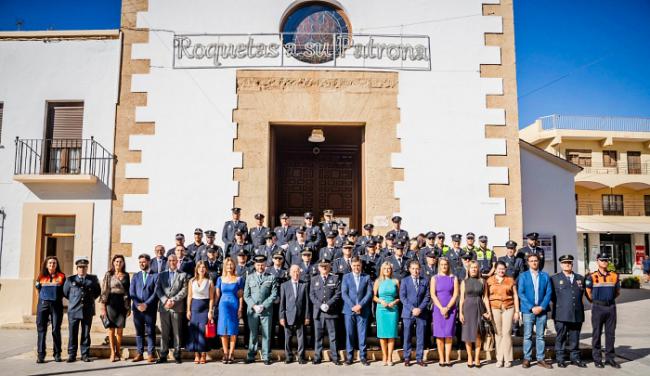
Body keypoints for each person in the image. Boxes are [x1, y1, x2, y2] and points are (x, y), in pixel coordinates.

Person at [586, 253, 621, 369]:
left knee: (611, 334)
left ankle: (610, 358)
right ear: (597, 261)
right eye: (602, 260)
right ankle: (597, 359)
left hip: (611, 307)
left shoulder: (615, 276)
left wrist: (608, 300)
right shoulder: (592, 276)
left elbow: (617, 292)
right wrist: (597, 301)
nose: (604, 262)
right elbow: (588, 293)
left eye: (606, 260)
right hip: (597, 307)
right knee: (597, 334)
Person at [63, 257, 101, 363]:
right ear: (77, 268)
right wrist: (74, 301)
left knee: (85, 333)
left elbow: (97, 292)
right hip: (74, 310)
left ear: (87, 268)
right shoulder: (70, 279)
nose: (82, 269)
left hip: (87, 310)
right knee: (72, 334)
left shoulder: (92, 279)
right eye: (80, 267)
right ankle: (72, 355)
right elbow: (66, 293)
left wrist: (89, 301)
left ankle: (85, 354)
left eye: (84, 267)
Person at [551, 254, 587, 368]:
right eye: (565, 263)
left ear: (572, 264)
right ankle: (560, 359)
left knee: (575, 337)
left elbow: (581, 294)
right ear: (561, 264)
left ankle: (575, 358)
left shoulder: (580, 278)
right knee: (561, 337)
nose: (567, 264)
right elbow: (552, 296)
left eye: (569, 262)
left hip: (576, 313)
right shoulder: (554, 279)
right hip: (561, 313)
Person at [518, 253, 553, 369]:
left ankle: (540, 359)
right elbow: (521, 293)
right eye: (531, 261)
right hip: (528, 311)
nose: (534, 262)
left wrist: (542, 307)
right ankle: (527, 358)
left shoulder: (545, 276)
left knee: (540, 336)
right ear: (528, 263)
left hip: (542, 310)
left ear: (539, 262)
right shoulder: (523, 276)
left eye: (536, 260)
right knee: (527, 335)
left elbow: (549, 292)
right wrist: (531, 307)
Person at [244, 255, 278, 365]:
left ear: (266, 265)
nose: (260, 267)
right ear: (254, 265)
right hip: (253, 310)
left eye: (262, 264)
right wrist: (254, 306)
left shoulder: (271, 277)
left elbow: (274, 294)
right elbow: (246, 295)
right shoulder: (249, 277)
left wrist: (263, 305)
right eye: (258, 265)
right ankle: (251, 355)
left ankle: (266, 356)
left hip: (266, 310)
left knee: (266, 334)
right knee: (253, 333)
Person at [155, 253, 188, 364]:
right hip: (164, 307)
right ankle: (163, 355)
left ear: (177, 262)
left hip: (176, 306)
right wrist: (165, 300)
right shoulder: (161, 275)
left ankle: (177, 354)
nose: (172, 262)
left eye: (174, 260)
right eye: (170, 260)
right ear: (167, 262)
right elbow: (158, 289)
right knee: (164, 332)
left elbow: (184, 290)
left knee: (177, 332)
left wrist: (173, 299)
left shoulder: (183, 275)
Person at [486, 261, 519, 368]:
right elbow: (485, 297)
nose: (501, 270)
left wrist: (517, 312)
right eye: (499, 268)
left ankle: (508, 359)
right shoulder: (489, 280)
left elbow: (515, 296)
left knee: (507, 332)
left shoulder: (510, 280)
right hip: (495, 308)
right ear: (495, 269)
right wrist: (488, 311)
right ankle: (500, 359)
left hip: (508, 308)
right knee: (498, 333)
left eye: (503, 268)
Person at [341, 256, 373, 365]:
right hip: (349, 311)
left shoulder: (366, 277)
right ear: (351, 266)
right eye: (354, 265)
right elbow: (344, 293)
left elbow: (369, 293)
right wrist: (353, 306)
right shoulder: (346, 277)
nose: (356, 267)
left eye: (358, 265)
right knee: (349, 334)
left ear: (361, 265)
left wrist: (360, 305)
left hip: (363, 310)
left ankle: (363, 357)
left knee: (362, 334)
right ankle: (350, 357)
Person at [310, 259, 342, 365]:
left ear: (329, 267)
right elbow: (312, 295)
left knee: (333, 337)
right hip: (318, 313)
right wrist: (320, 305)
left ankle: (335, 357)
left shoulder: (335, 278)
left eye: (326, 266)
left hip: (331, 311)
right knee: (318, 336)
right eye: (322, 266)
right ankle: (317, 357)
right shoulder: (314, 279)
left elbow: (338, 294)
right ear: (318, 267)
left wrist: (328, 304)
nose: (324, 268)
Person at [99, 254, 131, 362]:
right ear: (113, 262)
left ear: (123, 263)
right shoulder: (109, 274)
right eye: (116, 261)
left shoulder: (126, 275)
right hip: (110, 303)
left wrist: (128, 307)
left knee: (120, 331)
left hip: (122, 304)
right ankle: (112, 352)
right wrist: (103, 306)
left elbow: (128, 292)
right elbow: (104, 290)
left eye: (120, 261)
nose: (118, 263)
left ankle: (118, 352)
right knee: (111, 330)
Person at [459, 260, 491, 368]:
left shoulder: (483, 281)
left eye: (475, 267)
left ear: (478, 269)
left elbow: (485, 298)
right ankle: (469, 357)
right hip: (467, 308)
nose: (473, 269)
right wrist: (460, 313)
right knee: (468, 334)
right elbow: (461, 299)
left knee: (478, 334)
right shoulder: (464, 282)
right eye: (471, 267)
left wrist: (488, 311)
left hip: (479, 307)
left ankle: (477, 357)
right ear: (468, 269)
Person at [35, 256, 66, 363]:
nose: (52, 265)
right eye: (50, 263)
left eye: (54, 263)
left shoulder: (62, 276)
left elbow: (64, 291)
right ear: (46, 265)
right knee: (41, 330)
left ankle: (57, 354)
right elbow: (37, 290)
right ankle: (41, 355)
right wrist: (41, 302)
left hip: (56, 305)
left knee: (56, 329)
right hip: (43, 305)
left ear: (57, 265)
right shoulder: (41, 276)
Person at [400, 260, 430, 367]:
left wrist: (420, 309)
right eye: (413, 268)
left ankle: (419, 358)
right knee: (407, 336)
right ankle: (407, 357)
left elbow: (427, 297)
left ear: (420, 269)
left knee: (420, 336)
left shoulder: (424, 281)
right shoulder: (405, 281)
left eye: (417, 269)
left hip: (421, 313)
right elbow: (402, 297)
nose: (415, 271)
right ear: (409, 269)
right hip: (408, 313)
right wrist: (413, 309)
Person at [280, 265, 311, 364]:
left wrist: (307, 316)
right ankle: (289, 356)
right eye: (293, 271)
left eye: (297, 271)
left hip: (300, 316)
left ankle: (301, 356)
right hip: (288, 316)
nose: (296, 273)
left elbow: (307, 303)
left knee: (301, 338)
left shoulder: (304, 285)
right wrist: (281, 317)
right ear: (290, 273)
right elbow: (282, 303)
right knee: (287, 338)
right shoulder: (284, 285)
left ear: (300, 273)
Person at [130, 253, 158, 363]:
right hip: (137, 309)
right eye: (140, 262)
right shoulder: (135, 276)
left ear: (149, 262)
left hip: (149, 309)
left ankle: (151, 354)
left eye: (144, 261)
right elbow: (132, 292)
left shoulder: (155, 275)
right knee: (139, 332)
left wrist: (146, 304)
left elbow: (155, 293)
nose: (142, 263)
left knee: (150, 331)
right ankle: (139, 353)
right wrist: (138, 304)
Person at [430, 257, 459, 367]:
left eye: (446, 264)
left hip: (450, 309)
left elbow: (455, 294)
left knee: (448, 335)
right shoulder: (434, 278)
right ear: (439, 266)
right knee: (439, 335)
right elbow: (433, 294)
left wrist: (447, 308)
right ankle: (441, 359)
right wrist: (441, 308)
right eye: (442, 264)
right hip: (438, 309)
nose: (444, 266)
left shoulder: (454, 278)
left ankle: (447, 358)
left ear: (448, 265)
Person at [215, 258, 244, 364]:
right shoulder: (220, 279)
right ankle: (225, 353)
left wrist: (240, 308)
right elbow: (217, 294)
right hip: (222, 306)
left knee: (232, 330)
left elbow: (241, 295)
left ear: (234, 266)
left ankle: (231, 354)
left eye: (231, 265)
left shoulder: (239, 279)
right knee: (223, 330)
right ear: (225, 266)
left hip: (234, 304)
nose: (229, 267)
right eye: (227, 265)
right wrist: (213, 307)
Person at [186, 261, 215, 364]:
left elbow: (212, 298)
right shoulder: (191, 281)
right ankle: (196, 354)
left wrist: (210, 311)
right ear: (197, 269)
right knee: (194, 331)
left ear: (206, 269)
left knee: (203, 332)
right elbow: (189, 296)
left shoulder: (209, 282)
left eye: (203, 267)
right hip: (194, 307)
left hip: (205, 308)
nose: (202, 269)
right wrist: (188, 310)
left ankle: (203, 354)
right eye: (200, 267)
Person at [373, 261, 400, 366]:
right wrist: (381, 301)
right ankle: (384, 356)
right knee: (383, 335)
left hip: (393, 310)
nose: (387, 270)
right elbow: (374, 296)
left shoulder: (395, 281)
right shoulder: (378, 281)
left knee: (391, 334)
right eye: (385, 268)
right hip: (381, 309)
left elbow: (399, 297)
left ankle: (390, 357)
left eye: (389, 268)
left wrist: (394, 302)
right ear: (382, 270)